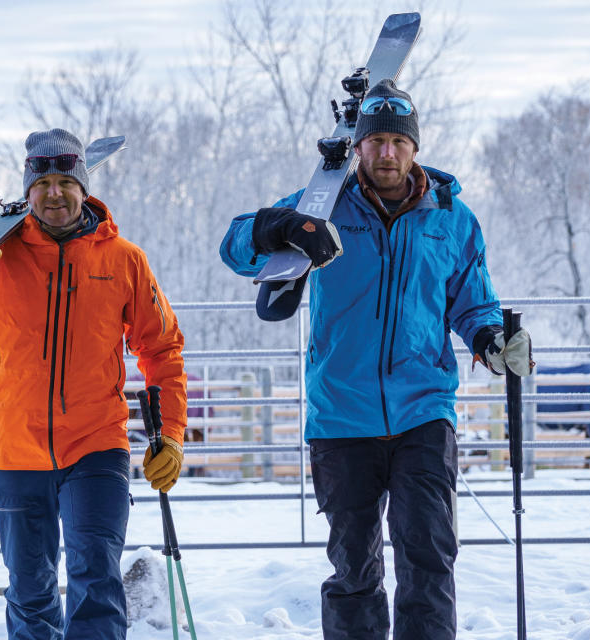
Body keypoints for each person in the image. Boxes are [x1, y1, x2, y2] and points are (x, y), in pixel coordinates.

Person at [219, 79, 533, 640]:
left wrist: (492, 342)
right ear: (358, 147)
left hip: (423, 412)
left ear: (415, 147)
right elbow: (236, 246)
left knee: (429, 558)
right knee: (354, 570)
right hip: (341, 415)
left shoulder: (451, 217)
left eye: (398, 141)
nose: (387, 153)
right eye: (376, 141)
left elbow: (472, 301)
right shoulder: (322, 206)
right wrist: (281, 227)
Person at [0, 128, 188, 639]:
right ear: (27, 190)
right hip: (15, 450)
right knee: (30, 592)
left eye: (65, 182)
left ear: (84, 186)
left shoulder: (123, 259)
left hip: (97, 446)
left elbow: (162, 349)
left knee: (96, 579)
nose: (55, 193)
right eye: (43, 182)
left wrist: (173, 436)